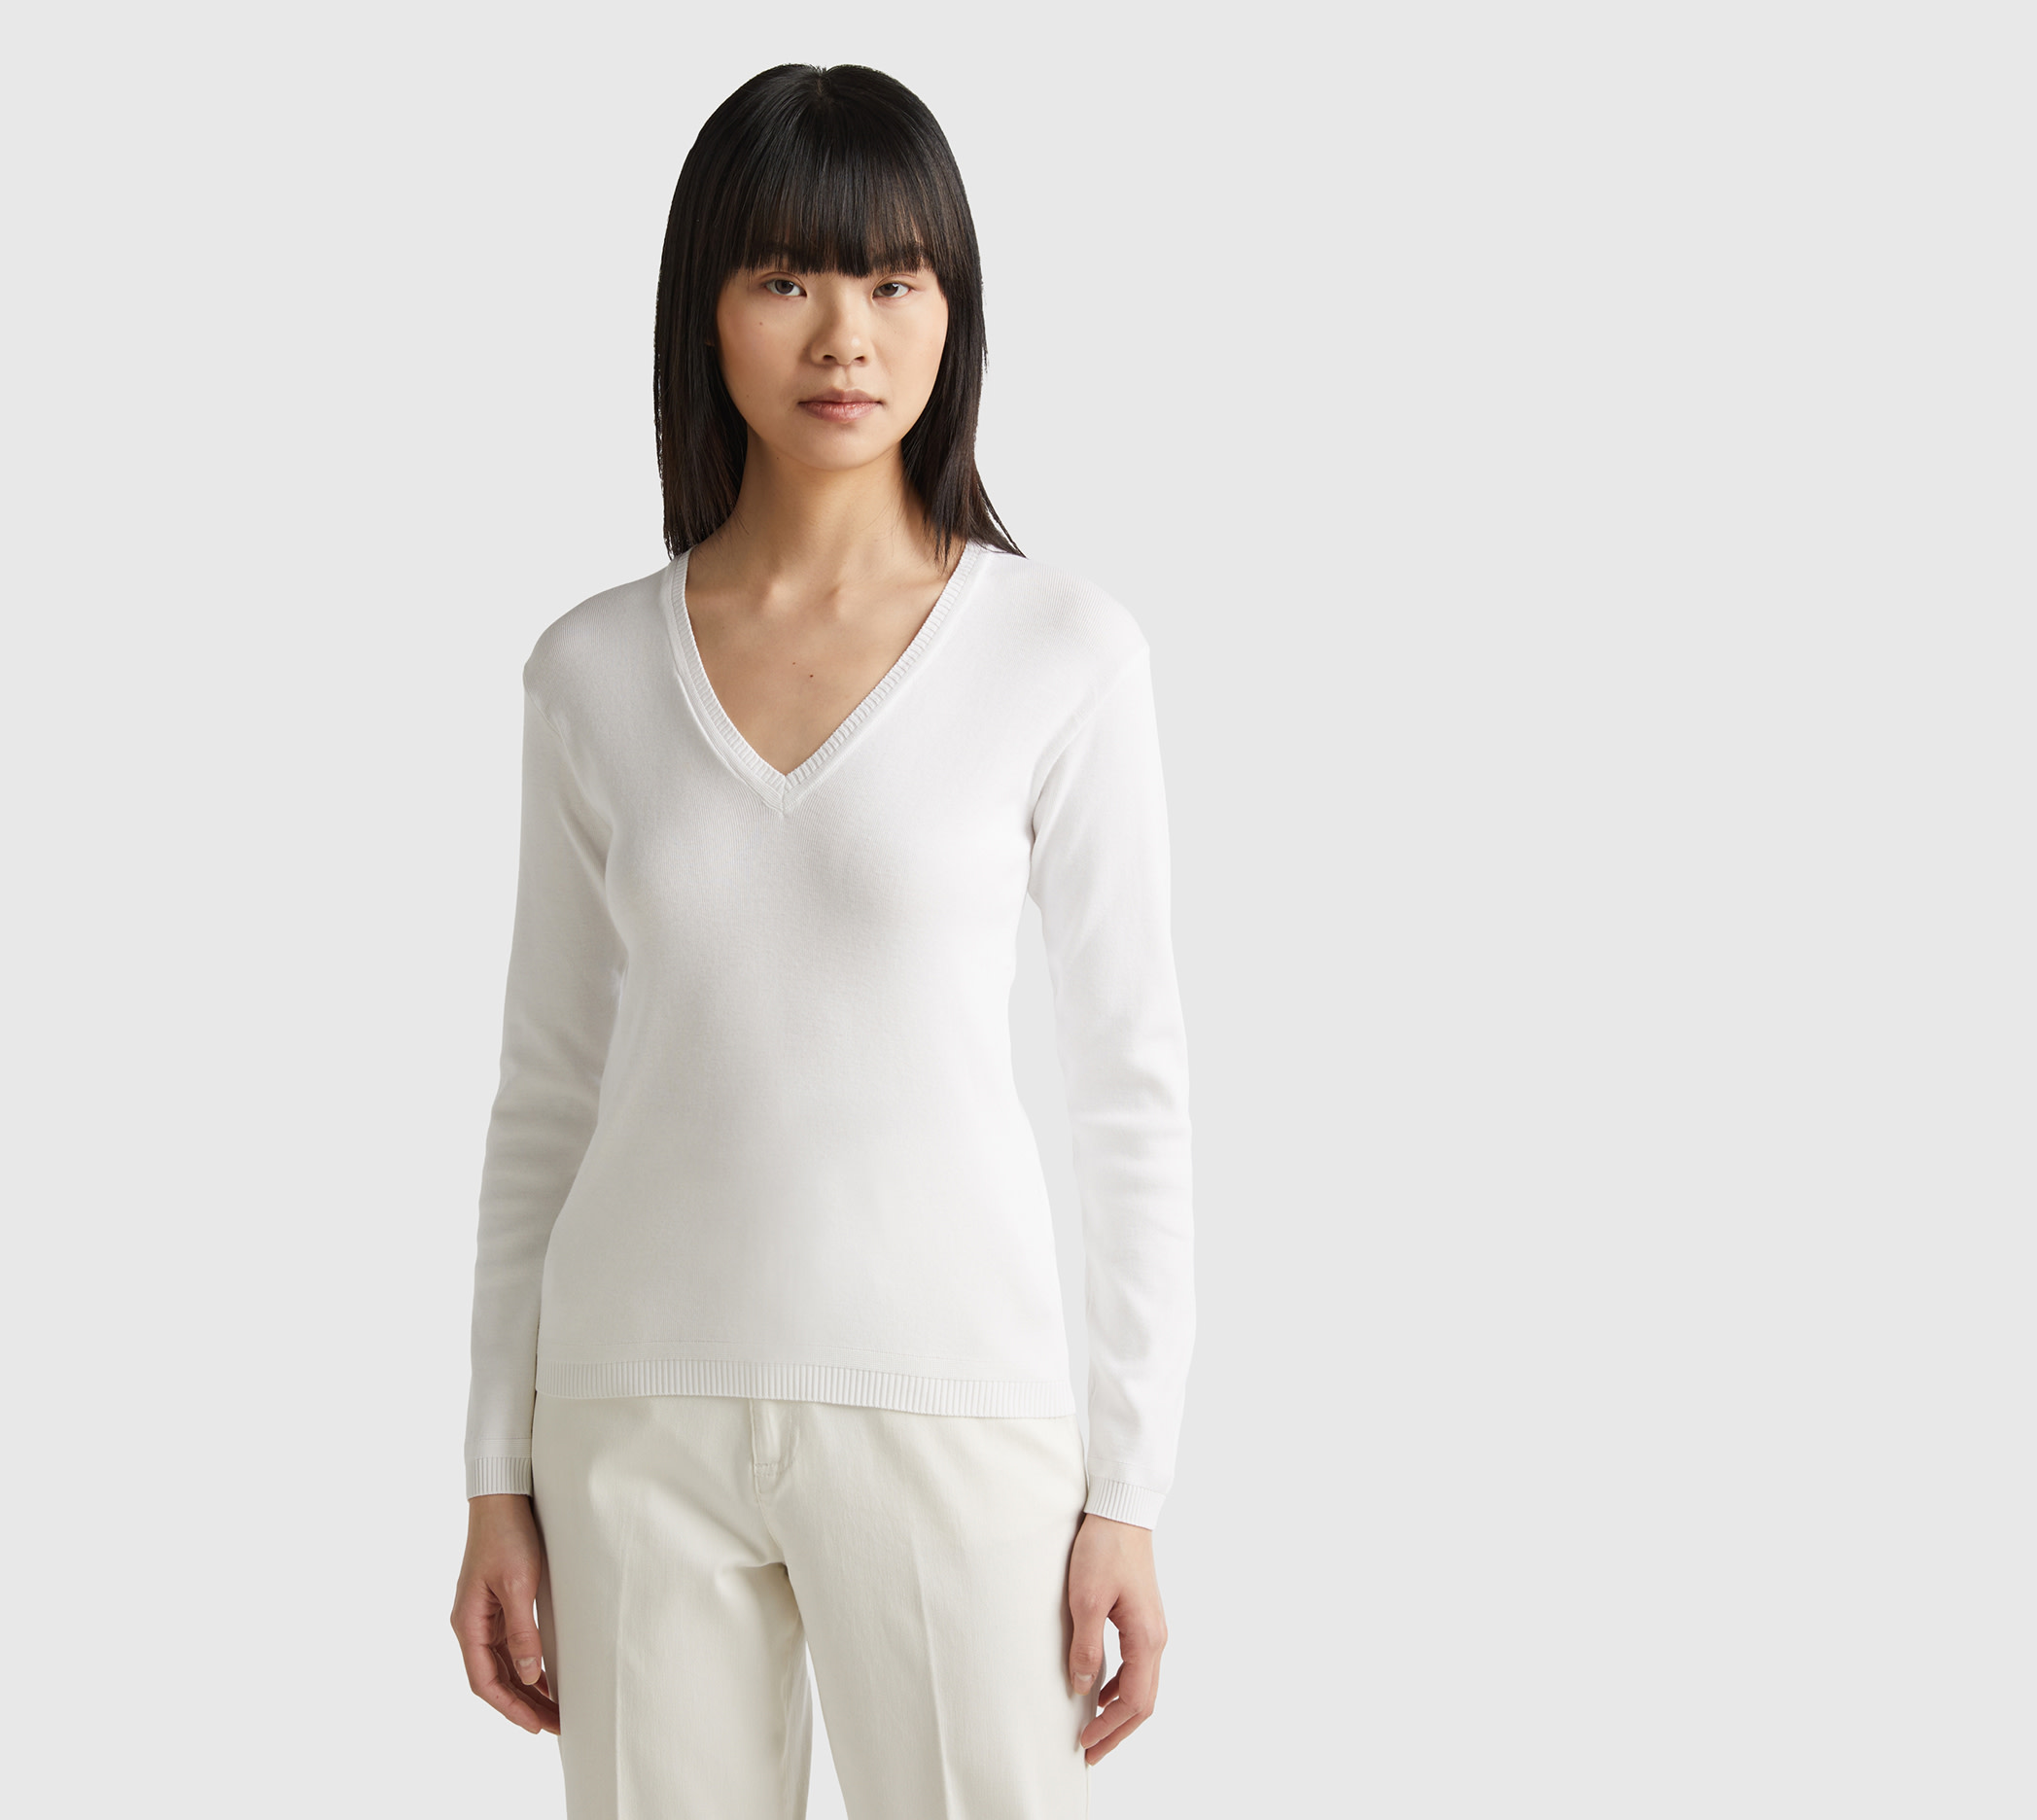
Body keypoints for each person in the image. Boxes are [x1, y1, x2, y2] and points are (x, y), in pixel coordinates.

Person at [448, 61, 1196, 1818]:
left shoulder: (1061, 655)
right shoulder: (590, 672)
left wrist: (1131, 1486)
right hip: (632, 1413)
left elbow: (1132, 1088)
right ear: (704, 310)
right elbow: (546, 1088)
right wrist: (495, 1469)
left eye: (893, 279)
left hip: (953, 1409)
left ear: (953, 309)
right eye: (785, 277)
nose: (846, 335)